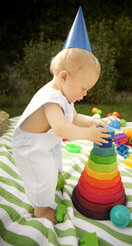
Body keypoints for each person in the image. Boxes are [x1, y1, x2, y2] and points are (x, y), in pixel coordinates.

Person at [12, 48, 110, 224]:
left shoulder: (64, 96)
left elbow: (74, 118)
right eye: (83, 88)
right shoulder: (51, 98)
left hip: (44, 142)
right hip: (29, 148)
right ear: (64, 77)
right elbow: (61, 129)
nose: (85, 94)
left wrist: (91, 123)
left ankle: (55, 179)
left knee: (54, 161)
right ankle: (41, 210)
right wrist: (88, 134)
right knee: (43, 176)